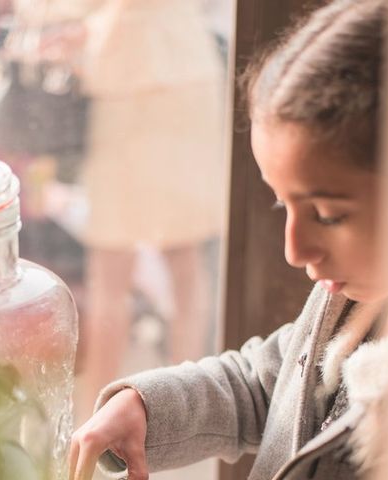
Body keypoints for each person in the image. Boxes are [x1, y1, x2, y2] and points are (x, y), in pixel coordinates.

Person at [69, 0, 388, 479]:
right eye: (281, 205)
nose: (295, 251)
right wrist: (146, 408)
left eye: (329, 215)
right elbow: (270, 383)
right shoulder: (365, 302)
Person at [75, 0, 227, 421]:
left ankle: (96, 414)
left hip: (127, 70)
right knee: (182, 260)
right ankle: (182, 408)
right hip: (185, 67)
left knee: (112, 264)